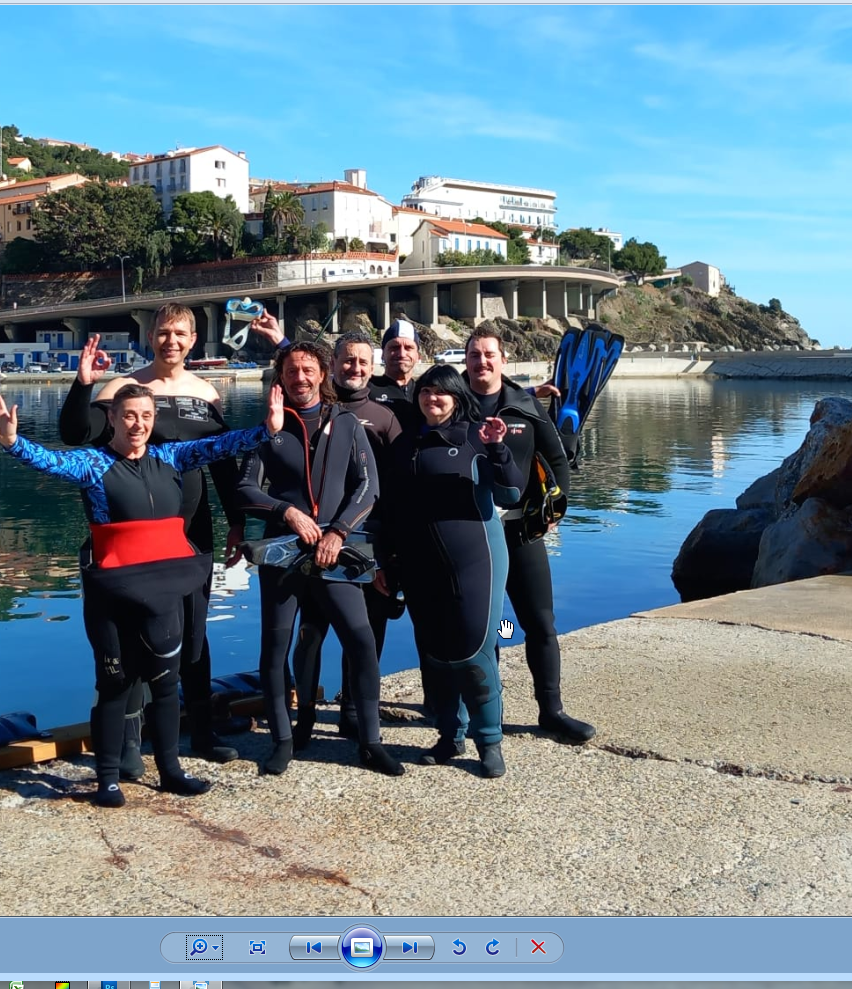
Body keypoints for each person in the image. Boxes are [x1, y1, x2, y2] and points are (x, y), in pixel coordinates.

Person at [0, 384, 278, 807]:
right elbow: (49, 461)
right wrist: (12, 442)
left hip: (164, 591)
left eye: (146, 416)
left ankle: (171, 770)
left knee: (166, 683)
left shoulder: (170, 457)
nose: (138, 424)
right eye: (130, 416)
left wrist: (267, 429)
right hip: (114, 593)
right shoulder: (92, 464)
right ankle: (107, 780)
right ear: (114, 419)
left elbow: (221, 445)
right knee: (115, 684)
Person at [59, 305, 243, 771]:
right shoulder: (123, 389)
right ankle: (128, 741)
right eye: (163, 332)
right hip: (134, 538)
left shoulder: (207, 393)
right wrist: (83, 385)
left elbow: (222, 462)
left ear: (193, 339)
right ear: (150, 335)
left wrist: (238, 522)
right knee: (133, 636)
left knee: (194, 634)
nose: (171, 341)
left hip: (192, 533)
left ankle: (201, 729)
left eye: (180, 333)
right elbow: (76, 434)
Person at [235, 340, 404, 778]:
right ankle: (283, 740)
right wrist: (286, 512)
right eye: (291, 371)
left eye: (308, 369)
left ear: (322, 374)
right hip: (284, 552)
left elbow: (368, 486)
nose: (300, 378)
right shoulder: (269, 427)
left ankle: (370, 742)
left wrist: (339, 530)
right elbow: (245, 489)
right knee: (276, 647)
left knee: (361, 641)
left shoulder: (345, 422)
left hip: (335, 551)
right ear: (280, 377)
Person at [374, 364, 522, 777]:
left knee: (472, 652)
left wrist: (499, 450)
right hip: (420, 565)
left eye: (440, 392)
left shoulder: (476, 436)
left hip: (476, 562)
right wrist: (386, 560)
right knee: (436, 655)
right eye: (425, 391)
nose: (431, 398)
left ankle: (489, 741)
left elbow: (511, 491)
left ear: (457, 397)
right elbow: (390, 510)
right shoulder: (404, 445)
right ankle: (449, 736)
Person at [463, 321, 597, 743]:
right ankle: (487, 711)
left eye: (489, 354)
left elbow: (556, 459)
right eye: (474, 355)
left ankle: (551, 710)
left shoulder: (525, 405)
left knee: (539, 622)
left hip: (521, 530)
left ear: (503, 360)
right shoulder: (452, 402)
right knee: (487, 626)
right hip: (472, 534)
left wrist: (558, 507)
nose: (482, 361)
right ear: (465, 361)